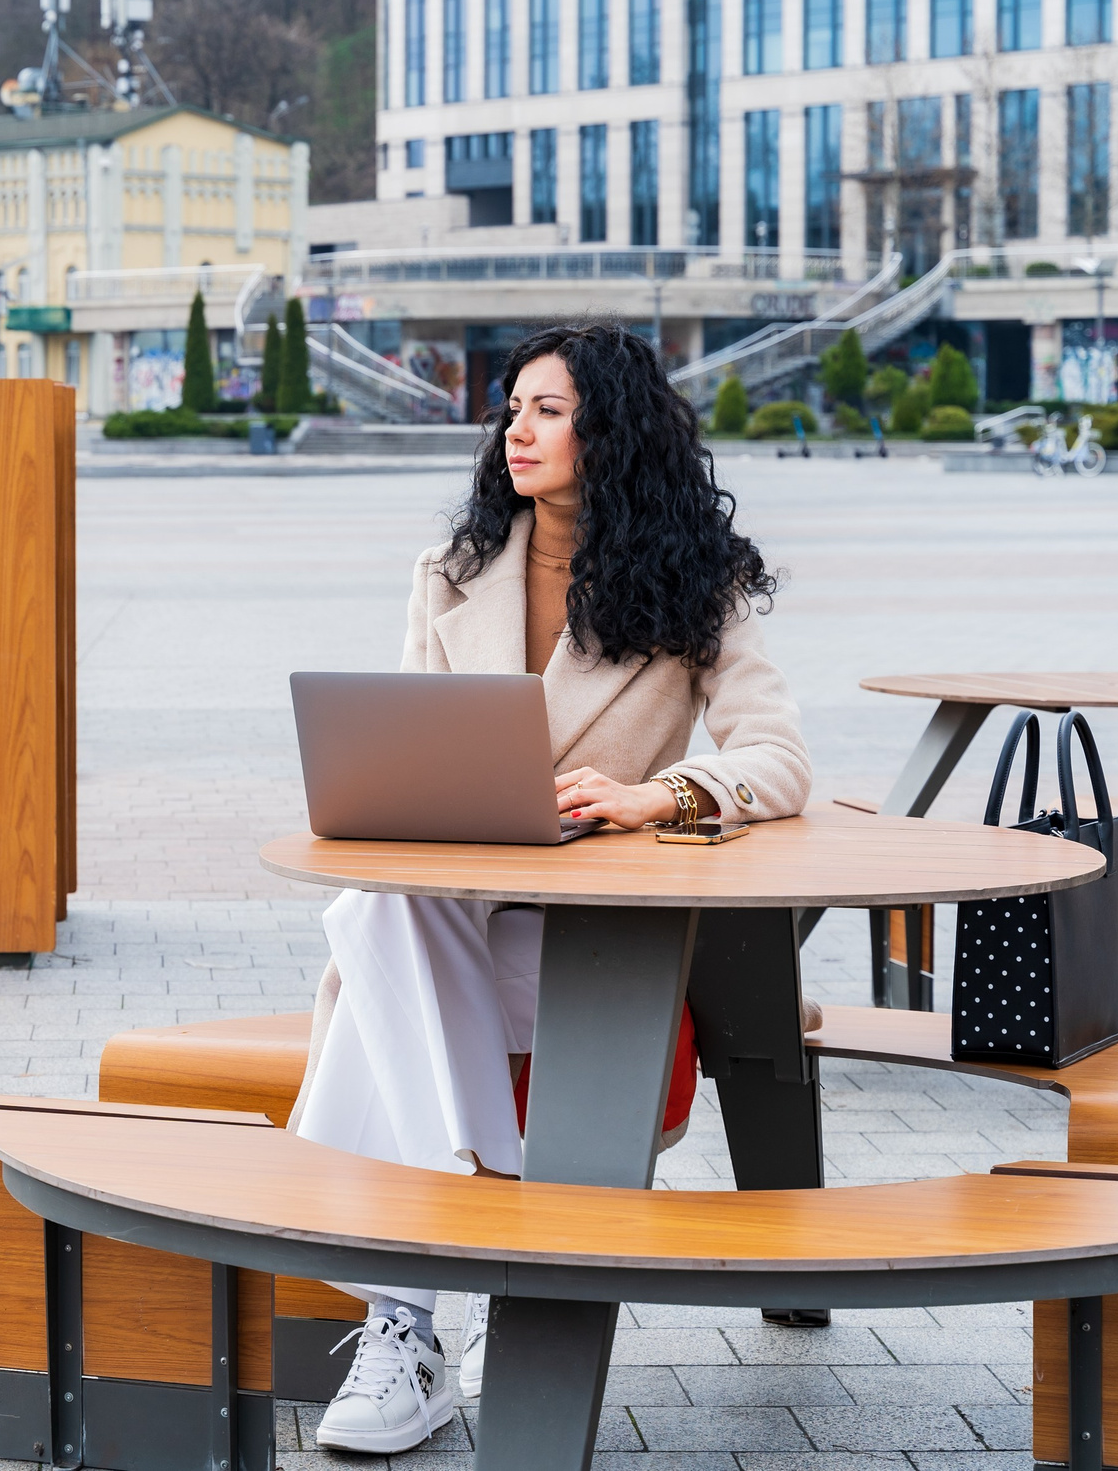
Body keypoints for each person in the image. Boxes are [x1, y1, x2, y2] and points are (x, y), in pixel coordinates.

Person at [292, 324, 812, 1453]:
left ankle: (408, 1317)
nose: (515, 432)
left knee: (376, 935)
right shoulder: (452, 574)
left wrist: (659, 796)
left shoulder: (695, 583)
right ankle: (431, 1304)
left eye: (547, 411)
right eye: (511, 410)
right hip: (450, 913)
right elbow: (410, 743)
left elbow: (778, 760)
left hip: (590, 940)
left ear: (610, 432)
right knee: (381, 906)